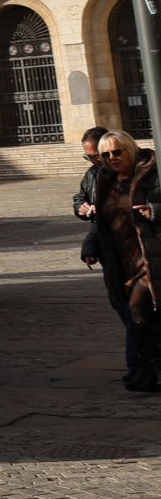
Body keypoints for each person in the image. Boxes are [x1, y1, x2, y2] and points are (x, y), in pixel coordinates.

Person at [89, 128, 161, 392]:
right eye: (106, 154)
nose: (112, 158)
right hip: (122, 259)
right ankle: (142, 370)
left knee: (138, 309)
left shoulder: (151, 174)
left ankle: (149, 371)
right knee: (137, 316)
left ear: (129, 149)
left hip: (151, 257)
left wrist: (154, 210)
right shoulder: (106, 180)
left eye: (117, 152)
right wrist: (91, 245)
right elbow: (101, 222)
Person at [76, 126, 108, 267]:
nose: (93, 161)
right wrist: (81, 208)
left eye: (96, 156)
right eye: (88, 157)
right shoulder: (92, 174)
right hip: (106, 246)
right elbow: (80, 198)